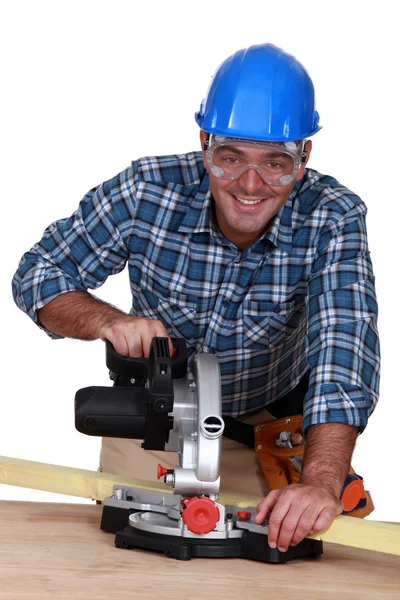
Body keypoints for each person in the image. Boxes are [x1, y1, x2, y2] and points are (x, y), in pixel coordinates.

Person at [12, 43, 380, 553]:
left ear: (304, 158)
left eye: (275, 163)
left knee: (269, 569)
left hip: (266, 431)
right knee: (123, 568)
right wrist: (107, 320)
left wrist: (319, 480)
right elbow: (38, 273)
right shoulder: (146, 190)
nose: (250, 184)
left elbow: (345, 348)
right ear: (205, 142)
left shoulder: (333, 217)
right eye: (230, 158)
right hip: (154, 424)